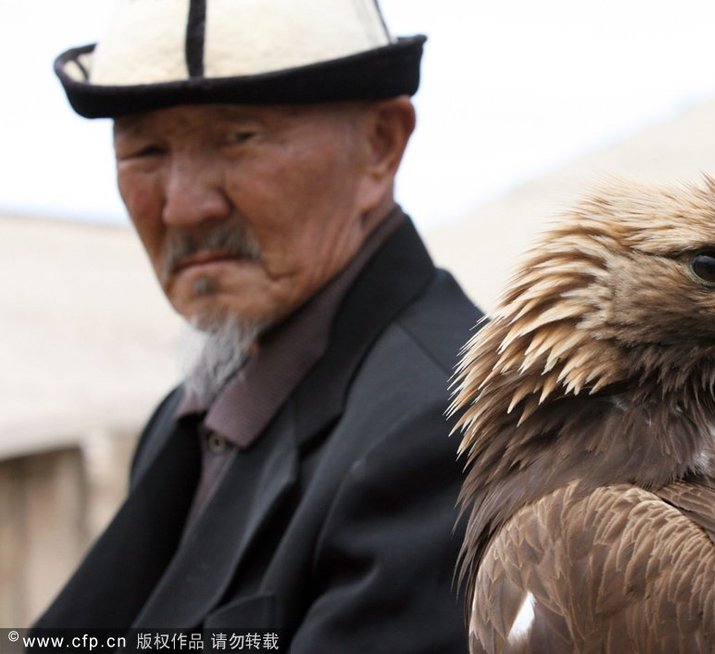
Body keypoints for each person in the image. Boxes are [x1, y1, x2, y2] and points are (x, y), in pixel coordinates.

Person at [31, 1, 479, 651]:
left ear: (380, 145)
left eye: (236, 139)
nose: (184, 206)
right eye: (145, 150)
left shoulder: (447, 428)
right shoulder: (193, 413)